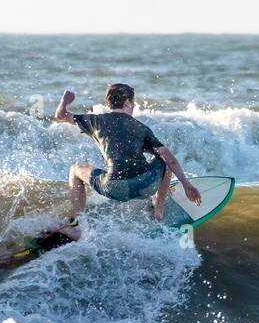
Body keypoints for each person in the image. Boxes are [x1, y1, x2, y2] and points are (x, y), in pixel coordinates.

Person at [53, 83, 201, 220]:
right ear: (127, 102)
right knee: (164, 158)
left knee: (75, 170)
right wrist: (187, 185)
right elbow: (170, 159)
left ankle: (77, 222)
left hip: (114, 188)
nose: (134, 106)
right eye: (133, 103)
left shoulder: (95, 121)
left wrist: (65, 99)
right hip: (145, 185)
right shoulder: (140, 128)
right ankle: (158, 210)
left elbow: (61, 115)